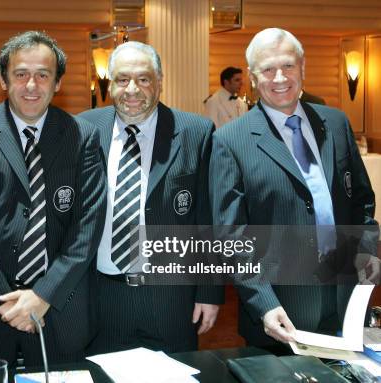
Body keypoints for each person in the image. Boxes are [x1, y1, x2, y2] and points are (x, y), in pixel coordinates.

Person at [0, 31, 106, 367]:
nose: (31, 85)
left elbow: (88, 227)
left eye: (43, 75)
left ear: (57, 82)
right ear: (3, 79)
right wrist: (3, 301)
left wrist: (44, 294)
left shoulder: (83, 136)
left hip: (59, 310)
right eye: (21, 74)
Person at [209, 28, 378, 352]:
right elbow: (231, 235)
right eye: (268, 69)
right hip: (280, 314)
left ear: (302, 67)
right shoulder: (231, 141)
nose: (280, 77)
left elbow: (362, 202)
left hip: (347, 303)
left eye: (287, 66)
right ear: (253, 77)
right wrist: (263, 302)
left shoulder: (337, 123)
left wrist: (368, 272)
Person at [79, 41, 222, 354]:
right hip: (101, 298)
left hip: (170, 299)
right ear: (110, 83)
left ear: (160, 83)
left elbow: (208, 219)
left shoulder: (196, 132)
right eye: (122, 79)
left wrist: (209, 292)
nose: (132, 89)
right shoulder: (83, 129)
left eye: (143, 79)